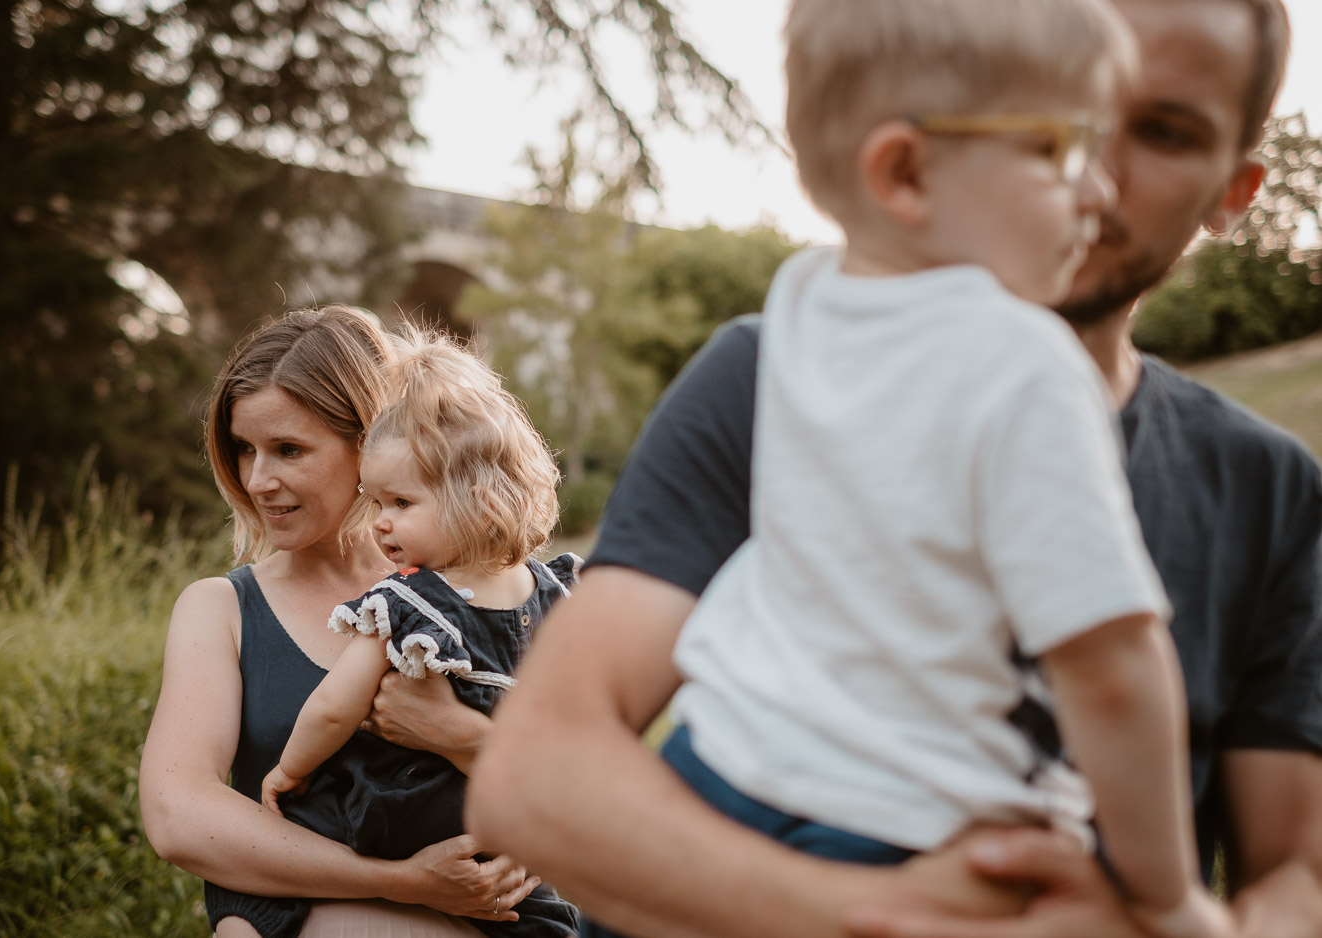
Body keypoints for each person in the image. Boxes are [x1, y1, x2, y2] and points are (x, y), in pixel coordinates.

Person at [466, 0, 1322, 936]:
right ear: (907, 165)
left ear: (1234, 194)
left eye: (1158, 130)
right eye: (1057, 131)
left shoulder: (1269, 487)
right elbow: (535, 780)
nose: (1099, 179)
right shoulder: (766, 373)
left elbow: (1297, 877)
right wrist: (892, 918)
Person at [638, 0, 1223, 933]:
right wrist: (1166, 897)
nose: (1099, 193)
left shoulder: (800, 308)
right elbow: (1111, 665)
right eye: (1058, 151)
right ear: (905, 172)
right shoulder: (1024, 359)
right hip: (902, 827)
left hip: (712, 779)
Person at [139, 306, 543, 938]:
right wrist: (403, 881)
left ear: (371, 442)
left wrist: (454, 733)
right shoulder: (220, 608)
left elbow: (593, 779)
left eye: (289, 449)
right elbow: (177, 814)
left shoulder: (484, 594)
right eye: (245, 450)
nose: (259, 480)